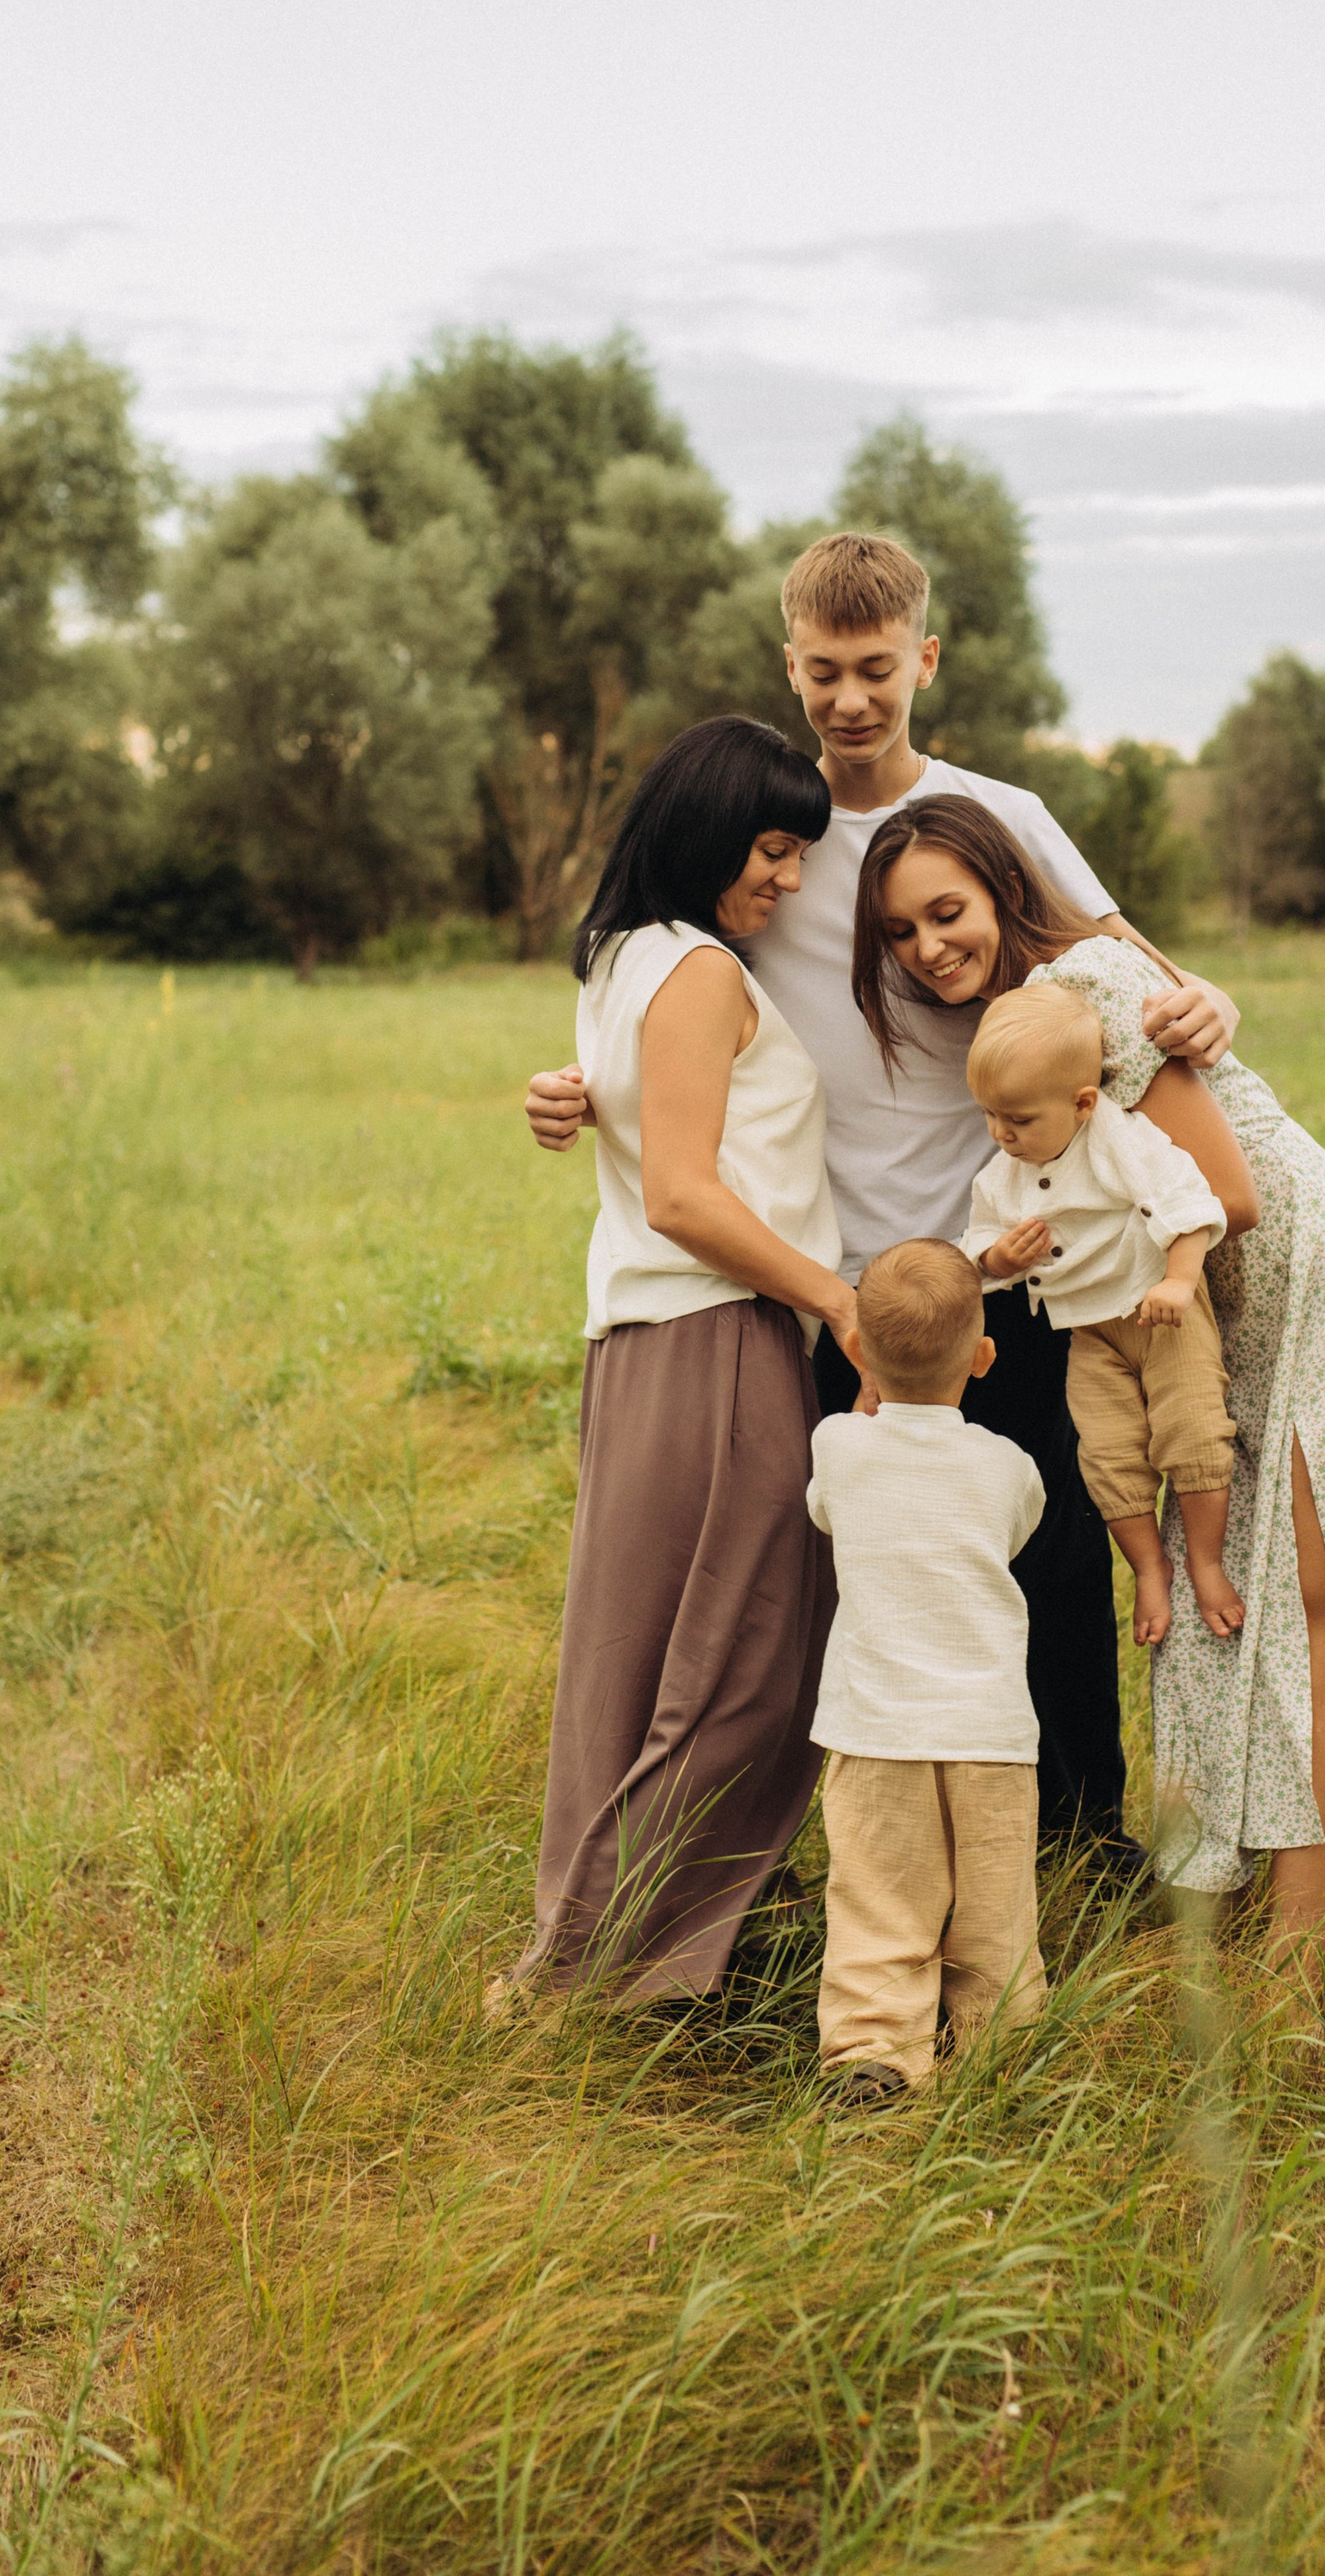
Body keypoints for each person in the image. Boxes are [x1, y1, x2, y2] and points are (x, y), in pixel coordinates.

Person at [526, 529, 1243, 1866]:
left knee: (1048, 1560)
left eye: (874, 671)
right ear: (787, 666)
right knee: (854, 1574)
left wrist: (1208, 998)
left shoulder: (1000, 815)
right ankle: (875, 1849)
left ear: (923, 660)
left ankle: (1076, 1841)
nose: (850, 700)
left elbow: (1126, 966)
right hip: (834, 1286)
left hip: (1008, 1258)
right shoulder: (770, 836)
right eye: (822, 672)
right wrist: (582, 1086)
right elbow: (689, 1009)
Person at [858, 794, 1325, 1945]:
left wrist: (1066, 1271)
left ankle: (1295, 1954)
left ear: (1000, 890)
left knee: (1311, 1614)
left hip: (1321, 1289)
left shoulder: (1090, 988)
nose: (929, 947)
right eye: (899, 932)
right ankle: (1277, 1910)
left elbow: (1227, 1194)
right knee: (1262, 1615)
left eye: (945, 912)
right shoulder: (1029, 1020)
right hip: (1226, 1324)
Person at [498, 716, 858, 2008]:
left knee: (636, 1664)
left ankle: (592, 1957)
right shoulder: (698, 969)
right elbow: (686, 1197)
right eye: (771, 849)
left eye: (800, 856)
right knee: (752, 1666)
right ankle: (617, 1964)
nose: (790, 880)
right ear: (706, 830)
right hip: (719, 1333)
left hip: (645, 1343)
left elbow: (646, 1131)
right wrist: (843, 1304)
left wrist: (574, 1094)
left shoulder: (619, 957)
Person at [809, 1239, 1048, 2100]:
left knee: (879, 1902)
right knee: (995, 1912)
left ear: (859, 1354)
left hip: (877, 1732)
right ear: (983, 1358)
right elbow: (1016, 1528)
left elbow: (823, 1510)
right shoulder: (1007, 1466)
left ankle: (875, 2054)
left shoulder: (838, 1446)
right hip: (989, 1732)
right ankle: (1001, 2050)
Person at [960, 984, 1244, 1649]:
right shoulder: (1004, 1174)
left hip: (1159, 1312)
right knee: (1108, 1454)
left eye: (1020, 1120)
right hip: (1089, 1331)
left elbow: (1187, 1200)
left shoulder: (1120, 1140)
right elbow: (977, 1246)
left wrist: (1179, 1282)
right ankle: (1150, 1565)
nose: (1003, 1134)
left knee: (1194, 1428)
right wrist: (998, 1258)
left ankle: (1206, 1561)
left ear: (1082, 1103)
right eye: (989, 1116)